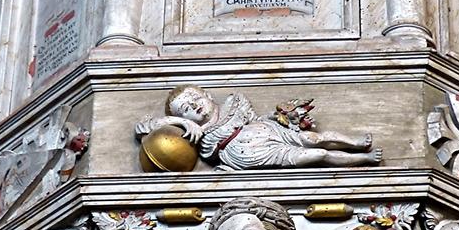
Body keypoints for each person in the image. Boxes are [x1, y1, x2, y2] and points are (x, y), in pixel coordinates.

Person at [135, 85, 382, 170]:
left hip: (263, 131)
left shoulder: (233, 102)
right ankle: (364, 159)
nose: (195, 108)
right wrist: (181, 122)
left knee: (315, 139)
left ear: (207, 94)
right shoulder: (197, 134)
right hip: (249, 156)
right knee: (318, 155)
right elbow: (148, 126)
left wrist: (285, 117)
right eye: (186, 109)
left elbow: (255, 118)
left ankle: (356, 144)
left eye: (195, 99)